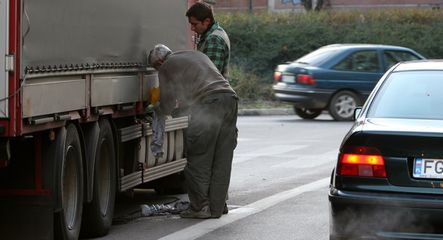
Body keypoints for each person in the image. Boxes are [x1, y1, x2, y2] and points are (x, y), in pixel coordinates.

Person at [148, 44, 238, 219]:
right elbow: (190, 96)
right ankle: (218, 206)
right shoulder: (194, 55)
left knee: (199, 158)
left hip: (210, 102)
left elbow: (167, 102)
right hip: (230, 99)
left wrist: (156, 108)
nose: (158, 70)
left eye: (156, 67)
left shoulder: (167, 66)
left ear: (159, 61)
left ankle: (200, 208)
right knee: (222, 159)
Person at [186, 2, 230, 78]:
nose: (192, 28)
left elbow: (211, 77)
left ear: (207, 21)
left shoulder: (213, 39)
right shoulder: (213, 34)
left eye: (195, 24)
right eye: (191, 24)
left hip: (212, 89)